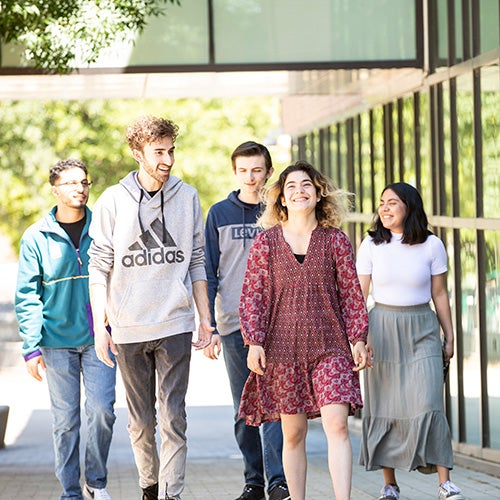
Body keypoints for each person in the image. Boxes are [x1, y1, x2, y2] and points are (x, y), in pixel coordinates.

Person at [88, 116, 213, 500]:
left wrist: (205, 319)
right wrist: (100, 327)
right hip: (128, 327)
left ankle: (171, 494)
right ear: (137, 153)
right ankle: (148, 485)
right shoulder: (112, 199)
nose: (168, 159)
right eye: (159, 152)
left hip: (175, 322)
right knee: (141, 424)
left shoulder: (187, 196)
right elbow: (99, 264)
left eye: (171, 150)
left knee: (174, 417)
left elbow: (196, 259)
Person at [238, 160, 369, 500]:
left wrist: (358, 337)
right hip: (282, 351)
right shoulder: (266, 243)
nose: (299, 191)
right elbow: (253, 295)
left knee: (337, 426)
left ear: (318, 192)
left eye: (306, 184)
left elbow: (351, 293)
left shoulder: (335, 240)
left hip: (331, 348)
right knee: (293, 434)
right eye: (291, 186)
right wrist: (254, 341)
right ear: (281, 198)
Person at [356, 182, 466, 500]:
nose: (385, 208)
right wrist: (360, 339)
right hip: (383, 329)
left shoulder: (432, 245)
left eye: (392, 202)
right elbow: (359, 296)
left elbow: (440, 293)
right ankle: (390, 485)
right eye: (382, 203)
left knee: (429, 402)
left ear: (410, 207)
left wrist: (450, 336)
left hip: (423, 328)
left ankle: (445, 483)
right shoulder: (371, 245)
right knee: (385, 404)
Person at [15, 159, 116, 500]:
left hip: (99, 339)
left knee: (102, 410)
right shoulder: (36, 236)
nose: (80, 188)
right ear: (54, 189)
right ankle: (71, 492)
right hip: (56, 342)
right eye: (71, 183)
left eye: (84, 182)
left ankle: (96, 482)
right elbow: (27, 296)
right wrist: (31, 347)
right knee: (65, 422)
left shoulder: (102, 229)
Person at [203, 141, 290, 500]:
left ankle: (278, 481)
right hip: (233, 323)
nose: (251, 177)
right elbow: (208, 270)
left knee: (276, 405)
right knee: (245, 408)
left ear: (269, 172)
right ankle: (253, 480)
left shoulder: (280, 213)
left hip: (279, 324)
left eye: (257, 170)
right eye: (243, 170)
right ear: (234, 172)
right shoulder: (219, 213)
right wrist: (207, 325)